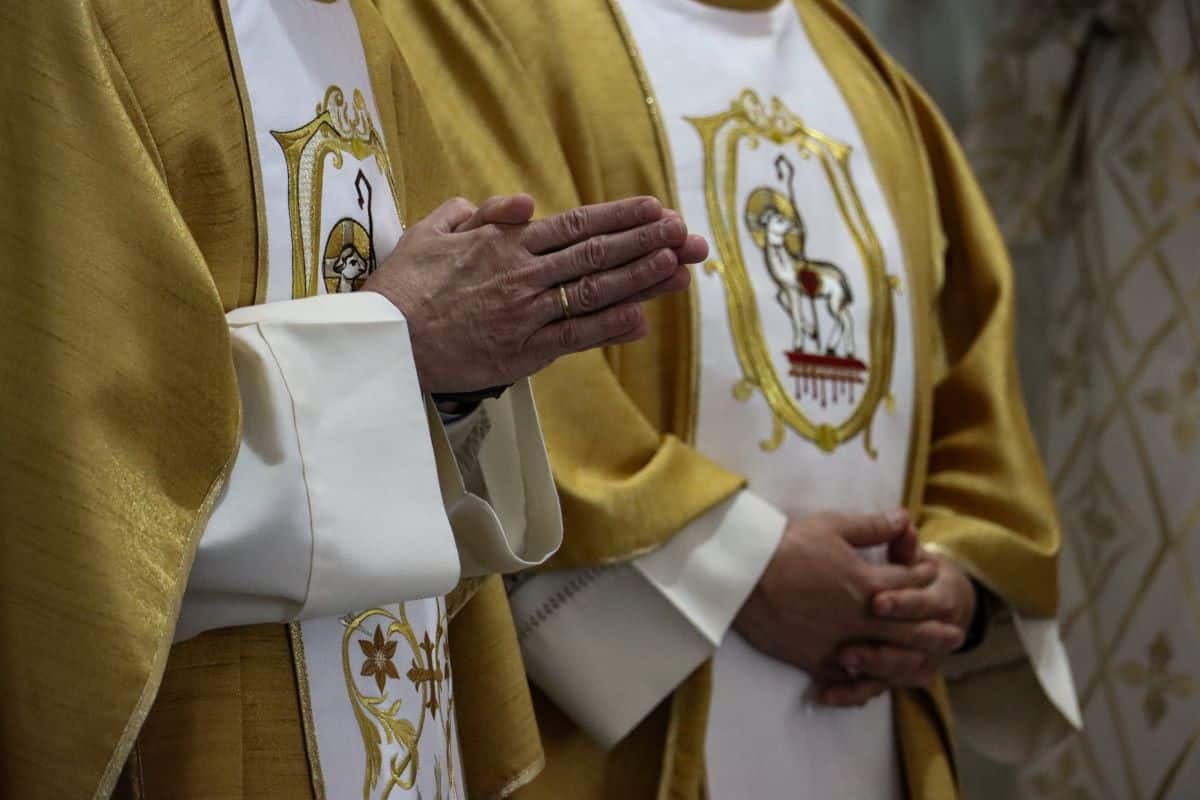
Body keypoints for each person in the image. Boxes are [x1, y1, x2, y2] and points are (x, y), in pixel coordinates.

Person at [0, 3, 702, 799]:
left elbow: (426, 352)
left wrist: (459, 380)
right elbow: (65, 480)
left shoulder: (351, 21)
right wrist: (388, 347)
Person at [390, 1, 1082, 797]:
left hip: (872, 724)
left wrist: (948, 583)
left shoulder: (859, 65)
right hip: (624, 721)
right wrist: (740, 567)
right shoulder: (484, 20)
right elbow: (490, 338)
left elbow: (969, 381)